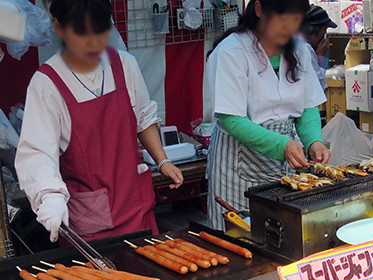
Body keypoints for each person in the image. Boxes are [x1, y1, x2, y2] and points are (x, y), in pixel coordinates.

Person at [15, 0, 183, 243]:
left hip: (136, 207)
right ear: (58, 27)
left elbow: (144, 118)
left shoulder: (126, 64)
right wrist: (50, 197)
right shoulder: (46, 83)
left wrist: (163, 160)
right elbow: (38, 152)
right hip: (88, 221)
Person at [204, 0, 330, 231]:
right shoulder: (231, 52)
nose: (288, 27)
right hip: (237, 167)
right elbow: (231, 119)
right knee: (239, 240)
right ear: (260, 9)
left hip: (284, 161)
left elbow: (307, 106)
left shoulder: (300, 50)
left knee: (281, 236)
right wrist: (282, 145)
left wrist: (314, 141)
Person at [299, 5, 337, 91]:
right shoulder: (305, 49)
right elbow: (319, 86)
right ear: (314, 29)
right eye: (324, 30)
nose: (324, 35)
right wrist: (321, 56)